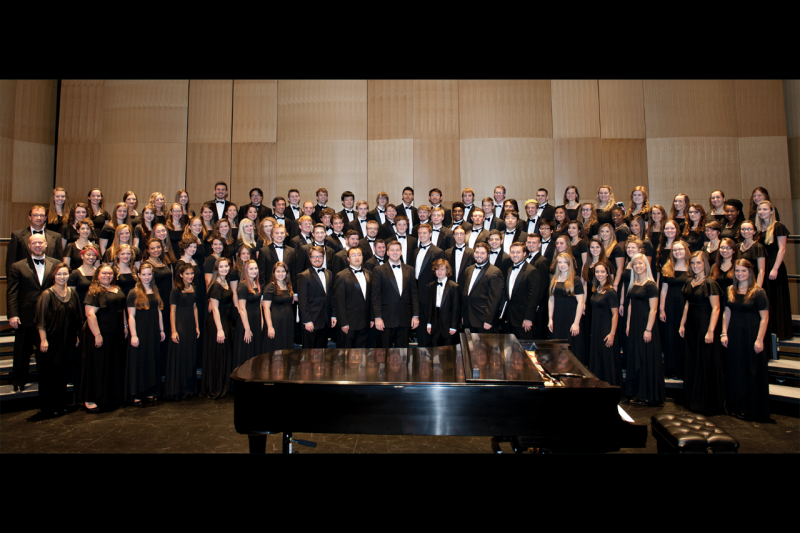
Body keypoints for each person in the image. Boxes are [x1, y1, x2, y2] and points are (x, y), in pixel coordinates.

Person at [7, 234, 59, 391]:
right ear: (29, 246)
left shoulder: (56, 264)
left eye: (40, 242)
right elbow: (12, 292)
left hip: (49, 316)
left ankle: (47, 381)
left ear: (45, 244)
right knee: (22, 351)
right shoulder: (18, 266)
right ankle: (18, 381)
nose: (37, 245)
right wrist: (13, 314)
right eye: (34, 243)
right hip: (25, 316)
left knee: (47, 351)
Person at [721, 259, 770, 421]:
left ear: (750, 272)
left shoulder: (758, 292)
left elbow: (764, 318)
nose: (740, 274)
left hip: (751, 336)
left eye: (743, 271)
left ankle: (751, 409)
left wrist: (760, 339)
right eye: (737, 271)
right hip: (734, 336)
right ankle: (736, 405)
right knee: (735, 369)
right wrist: (724, 333)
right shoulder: (730, 290)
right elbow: (726, 313)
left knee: (751, 370)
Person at [679, 251, 724, 415]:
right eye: (692, 263)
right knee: (692, 361)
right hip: (691, 325)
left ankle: (704, 401)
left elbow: (716, 308)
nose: (695, 266)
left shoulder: (710, 283)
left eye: (698, 263)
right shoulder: (690, 282)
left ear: (705, 263)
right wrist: (682, 324)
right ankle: (692, 398)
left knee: (704, 362)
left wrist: (711, 330)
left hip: (704, 325)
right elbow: (687, 305)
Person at [35, 263, 80, 416]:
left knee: (62, 374)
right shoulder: (47, 294)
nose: (62, 277)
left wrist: (76, 335)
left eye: (65, 274)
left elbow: (76, 318)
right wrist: (43, 340)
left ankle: (61, 405)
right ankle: (49, 407)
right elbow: (40, 320)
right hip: (51, 340)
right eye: (59, 274)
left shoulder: (72, 294)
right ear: (53, 276)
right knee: (50, 376)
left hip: (67, 340)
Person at [80, 264, 128, 412]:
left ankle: (110, 396)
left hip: (116, 333)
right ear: (97, 275)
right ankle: (90, 399)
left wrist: (125, 326)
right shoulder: (94, 291)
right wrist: (97, 335)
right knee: (97, 365)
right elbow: (90, 314)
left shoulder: (116, 289)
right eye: (104, 273)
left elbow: (123, 310)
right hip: (100, 332)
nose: (107, 276)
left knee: (112, 364)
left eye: (110, 273)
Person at [625, 253, 664, 405]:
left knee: (645, 358)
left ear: (645, 265)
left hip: (646, 325)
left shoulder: (651, 285)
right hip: (634, 324)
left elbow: (653, 310)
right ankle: (636, 392)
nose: (638, 266)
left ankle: (647, 394)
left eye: (640, 264)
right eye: (635, 264)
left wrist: (648, 329)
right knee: (635, 356)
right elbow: (630, 305)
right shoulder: (633, 283)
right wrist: (628, 324)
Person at [126, 261, 165, 406]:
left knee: (151, 360)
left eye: (149, 274)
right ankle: (137, 394)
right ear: (139, 275)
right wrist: (134, 335)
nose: (147, 277)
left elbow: (158, 310)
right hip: (140, 331)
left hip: (153, 330)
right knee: (140, 362)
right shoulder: (133, 293)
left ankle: (150, 391)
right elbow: (131, 316)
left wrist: (161, 329)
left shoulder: (155, 290)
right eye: (144, 275)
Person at [755, 200, 792, 341]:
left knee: (777, 299)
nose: (762, 212)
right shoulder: (759, 229)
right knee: (766, 298)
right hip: (762, 266)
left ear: (771, 211)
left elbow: (782, 249)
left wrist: (775, 268)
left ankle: (780, 332)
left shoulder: (778, 227)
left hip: (774, 266)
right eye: (760, 209)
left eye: (765, 209)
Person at [371, 241, 419, 347]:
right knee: (384, 354)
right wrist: (377, 317)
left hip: (404, 318)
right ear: (387, 252)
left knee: (403, 354)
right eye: (392, 250)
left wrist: (415, 315)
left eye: (397, 249)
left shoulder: (409, 269)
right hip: (385, 319)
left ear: (401, 252)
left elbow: (414, 294)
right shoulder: (379, 270)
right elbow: (375, 296)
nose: (395, 252)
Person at [201, 257, 234, 399]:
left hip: (226, 322)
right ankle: (215, 387)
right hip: (217, 323)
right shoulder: (215, 285)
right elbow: (214, 309)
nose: (224, 269)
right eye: (221, 267)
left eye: (226, 266)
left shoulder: (225, 282)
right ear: (216, 269)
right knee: (217, 355)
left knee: (224, 354)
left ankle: (224, 385)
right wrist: (220, 329)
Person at [659, 240, 690, 380]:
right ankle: (670, 368)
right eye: (675, 250)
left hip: (686, 304)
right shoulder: (668, 267)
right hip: (670, 305)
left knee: (683, 337)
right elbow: (664, 290)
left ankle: (683, 368)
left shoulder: (691, 267)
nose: (678, 252)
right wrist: (661, 308)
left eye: (680, 249)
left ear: (685, 250)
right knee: (671, 336)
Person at [333, 247, 373, 348]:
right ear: (348, 259)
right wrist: (343, 323)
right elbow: (339, 301)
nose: (357, 258)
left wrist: (372, 318)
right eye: (353, 255)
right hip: (349, 323)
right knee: (347, 355)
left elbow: (372, 299)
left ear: (362, 257)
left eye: (359, 255)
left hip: (365, 322)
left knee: (363, 355)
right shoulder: (341, 276)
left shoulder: (369, 274)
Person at [548, 253, 586, 360]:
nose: (562, 265)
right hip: (557, 317)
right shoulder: (554, 279)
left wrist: (576, 323)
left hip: (571, 318)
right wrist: (550, 318)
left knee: (572, 347)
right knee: (557, 347)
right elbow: (551, 299)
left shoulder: (576, 280)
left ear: (570, 264)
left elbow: (581, 303)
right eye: (560, 262)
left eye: (565, 262)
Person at [588, 262, 620, 386]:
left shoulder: (611, 291)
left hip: (606, 329)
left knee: (607, 360)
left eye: (602, 272)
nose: (599, 274)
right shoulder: (596, 289)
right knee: (598, 359)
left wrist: (612, 334)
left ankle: (610, 388)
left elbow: (615, 315)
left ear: (607, 273)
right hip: (596, 329)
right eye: (597, 272)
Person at [6, 205, 64, 274]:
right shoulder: (17, 236)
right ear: (30, 217)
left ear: (45, 218)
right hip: (24, 279)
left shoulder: (56, 236)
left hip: (49, 279)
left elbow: (59, 261)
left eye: (41, 215)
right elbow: (10, 262)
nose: (38, 218)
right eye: (35, 215)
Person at [412, 224, 444, 347]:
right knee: (419, 324)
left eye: (424, 233)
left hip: (430, 295)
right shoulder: (416, 251)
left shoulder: (438, 251)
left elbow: (440, 276)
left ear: (430, 234)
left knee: (430, 325)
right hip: (417, 294)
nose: (421, 235)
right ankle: (421, 350)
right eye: (420, 233)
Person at [500, 242, 539, 340]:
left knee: (525, 350)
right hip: (511, 318)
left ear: (524, 254)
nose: (515, 255)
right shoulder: (509, 269)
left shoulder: (531, 271)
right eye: (512, 252)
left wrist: (528, 318)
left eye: (518, 252)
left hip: (523, 320)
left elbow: (533, 297)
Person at [461, 242, 503, 332]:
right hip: (468, 318)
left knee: (483, 346)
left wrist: (488, 320)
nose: (479, 255)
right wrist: (463, 315)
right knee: (468, 345)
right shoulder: (468, 269)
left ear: (488, 255)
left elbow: (495, 299)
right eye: (477, 252)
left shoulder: (495, 272)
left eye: (482, 253)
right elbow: (465, 294)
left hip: (483, 320)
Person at [298, 246, 334, 348]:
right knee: (309, 354)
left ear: (323, 258)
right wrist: (307, 321)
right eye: (314, 257)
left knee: (322, 352)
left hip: (325, 321)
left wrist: (333, 315)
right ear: (310, 259)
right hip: (311, 321)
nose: (317, 259)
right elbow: (303, 301)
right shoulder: (303, 276)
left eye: (319, 256)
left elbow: (331, 296)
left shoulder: (329, 273)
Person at [234, 259, 263, 368]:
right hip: (246, 322)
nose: (254, 271)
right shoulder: (243, 285)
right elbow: (241, 309)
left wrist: (262, 321)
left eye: (256, 268)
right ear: (246, 270)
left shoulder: (256, 284)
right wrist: (247, 329)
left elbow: (259, 305)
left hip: (256, 321)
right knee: (246, 353)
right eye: (251, 269)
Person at [426, 259, 461, 346]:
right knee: (434, 351)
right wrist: (429, 323)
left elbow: (456, 308)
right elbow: (430, 306)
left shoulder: (454, 286)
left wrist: (453, 326)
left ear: (447, 270)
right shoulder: (432, 285)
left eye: (442, 269)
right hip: (435, 324)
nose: (440, 272)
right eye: (437, 269)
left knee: (448, 353)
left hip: (448, 325)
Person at [262, 261, 295, 351]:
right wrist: (270, 326)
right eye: (278, 271)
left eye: (283, 271)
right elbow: (266, 308)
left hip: (287, 322)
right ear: (274, 273)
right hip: (276, 323)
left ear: (287, 273)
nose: (281, 274)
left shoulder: (288, 286)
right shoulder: (270, 287)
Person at [738, 220, 766, 288]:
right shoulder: (737, 246)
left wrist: (757, 290)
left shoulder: (758, 247)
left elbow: (761, 271)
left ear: (754, 232)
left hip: (753, 283)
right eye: (743, 229)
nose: (746, 231)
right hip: (740, 282)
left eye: (749, 229)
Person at [598, 223, 624, 290]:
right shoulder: (598, 247)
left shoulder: (617, 247)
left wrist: (615, 284)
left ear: (611, 233)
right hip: (601, 281)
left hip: (613, 282)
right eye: (602, 231)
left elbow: (620, 268)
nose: (604, 234)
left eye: (607, 231)